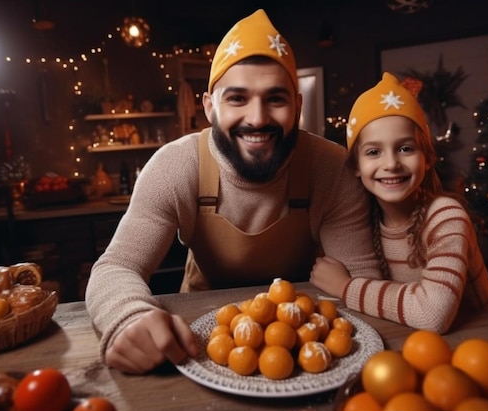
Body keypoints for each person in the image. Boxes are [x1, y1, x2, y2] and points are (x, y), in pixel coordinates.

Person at [85, 9, 378, 374]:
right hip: (199, 344)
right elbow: (116, 266)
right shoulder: (175, 166)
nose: (257, 118)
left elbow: (361, 282)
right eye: (237, 98)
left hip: (301, 344)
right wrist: (129, 316)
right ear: (210, 107)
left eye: (275, 99)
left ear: (297, 106)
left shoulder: (331, 168)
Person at [310, 72, 488, 334]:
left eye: (405, 148)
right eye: (373, 152)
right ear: (356, 166)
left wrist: (345, 287)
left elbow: (433, 314)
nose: (391, 164)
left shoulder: (446, 217)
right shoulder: (363, 223)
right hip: (434, 354)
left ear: (427, 157)